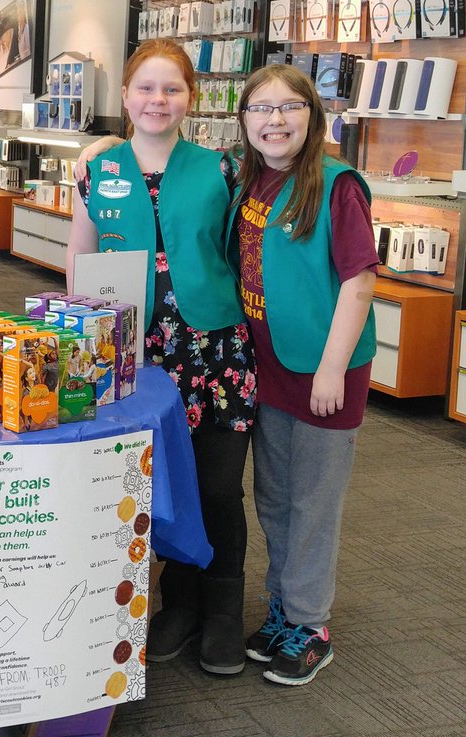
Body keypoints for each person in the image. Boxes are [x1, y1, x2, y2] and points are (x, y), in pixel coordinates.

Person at [68, 39, 256, 676]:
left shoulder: (224, 169)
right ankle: (177, 600)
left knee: (218, 486)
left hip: (214, 349)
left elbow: (241, 250)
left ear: (191, 98)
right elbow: (80, 256)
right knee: (154, 483)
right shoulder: (96, 171)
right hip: (133, 351)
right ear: (124, 96)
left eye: (171, 89)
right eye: (145, 88)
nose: (158, 100)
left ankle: (224, 609)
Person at [233, 65, 377, 687]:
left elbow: (360, 282)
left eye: (289, 107)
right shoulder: (252, 179)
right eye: (261, 109)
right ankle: (285, 608)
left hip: (324, 372)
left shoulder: (338, 185)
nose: (275, 120)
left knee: (313, 501)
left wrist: (331, 369)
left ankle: (311, 623)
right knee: (274, 497)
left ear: (312, 115)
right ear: (244, 121)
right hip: (269, 367)